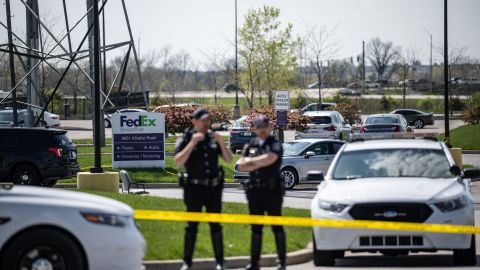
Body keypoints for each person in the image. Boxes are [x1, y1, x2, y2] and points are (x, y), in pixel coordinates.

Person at [174, 108, 233, 270]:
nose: (207, 123)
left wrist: (222, 142)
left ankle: (220, 262)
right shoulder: (186, 138)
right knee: (191, 226)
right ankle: (187, 262)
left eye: (208, 120)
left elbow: (228, 160)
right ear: (195, 121)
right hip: (194, 189)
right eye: (203, 120)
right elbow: (178, 161)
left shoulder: (213, 137)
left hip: (213, 189)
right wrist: (192, 143)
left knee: (216, 226)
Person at [238, 115, 286, 270]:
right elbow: (242, 166)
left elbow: (270, 159)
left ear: (269, 128)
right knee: (256, 228)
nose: (262, 130)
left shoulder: (275, 144)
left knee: (276, 226)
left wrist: (252, 162)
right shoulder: (250, 144)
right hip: (255, 192)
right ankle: (254, 263)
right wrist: (259, 161)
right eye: (258, 127)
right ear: (254, 129)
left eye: (264, 127)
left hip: (272, 191)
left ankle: (282, 262)